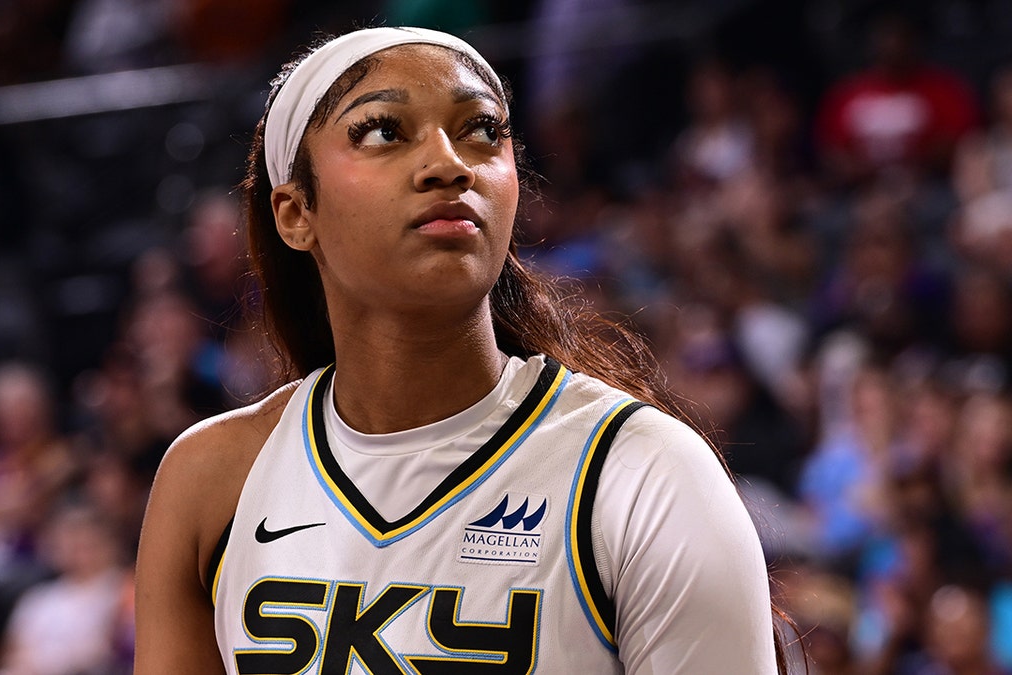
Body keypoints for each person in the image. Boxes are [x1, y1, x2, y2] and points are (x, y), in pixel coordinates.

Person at [135, 26, 786, 673]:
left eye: (481, 130)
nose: (449, 163)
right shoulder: (210, 478)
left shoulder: (643, 472)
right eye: (385, 131)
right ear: (295, 212)